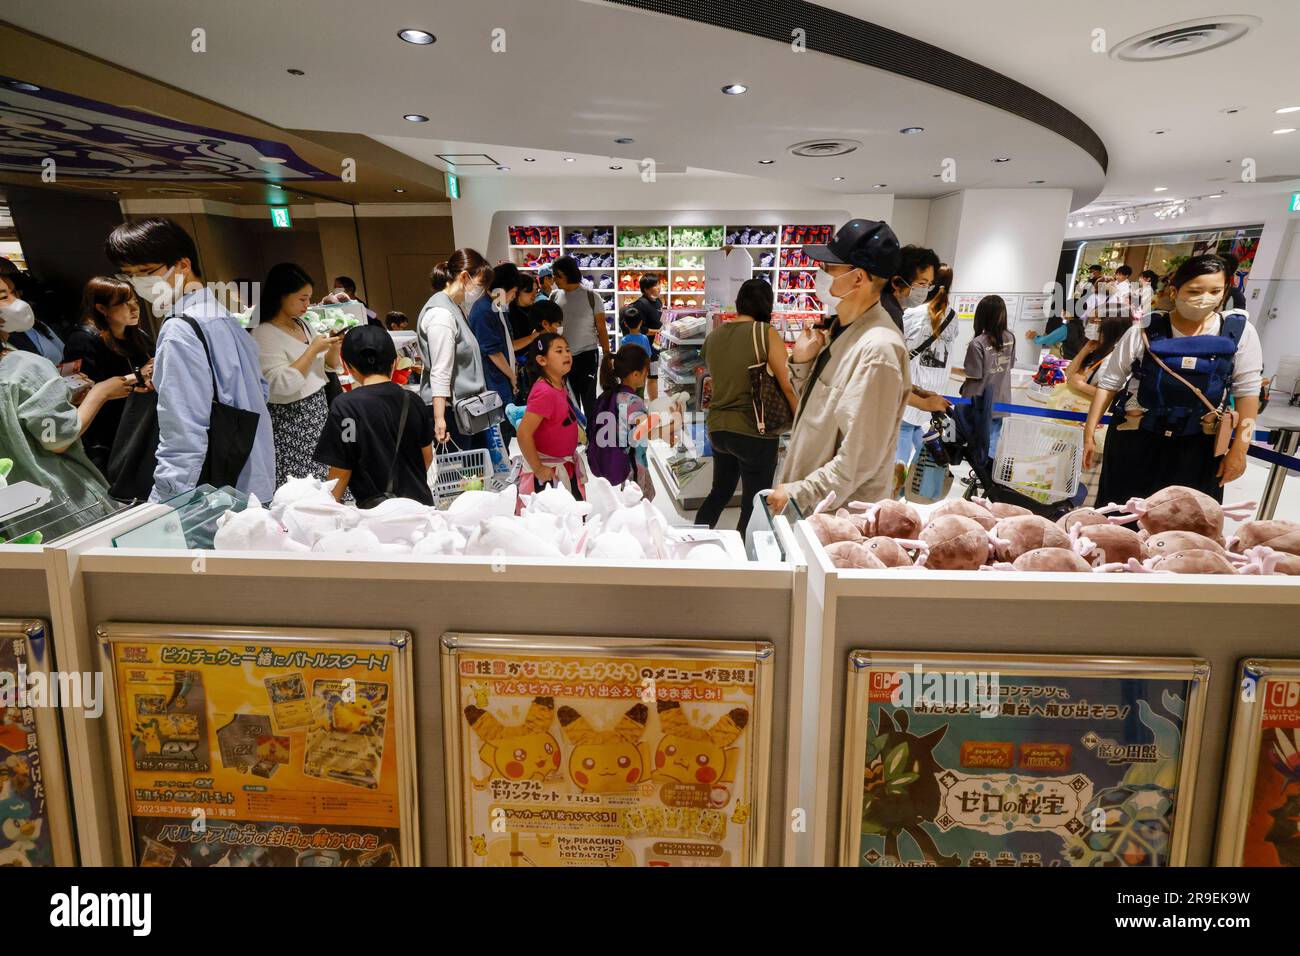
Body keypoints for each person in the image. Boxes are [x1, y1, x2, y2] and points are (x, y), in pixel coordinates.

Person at [106, 217, 275, 502]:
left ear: (183, 265)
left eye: (147, 271)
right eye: (129, 274)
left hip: (212, 492)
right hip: (253, 471)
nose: (139, 282)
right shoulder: (221, 314)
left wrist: (164, 505)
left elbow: (183, 432)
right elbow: (260, 389)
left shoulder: (180, 329)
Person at [1084, 254, 1262, 505]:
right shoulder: (1145, 329)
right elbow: (1110, 382)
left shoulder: (1239, 332)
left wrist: (1239, 450)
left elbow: (1248, 393)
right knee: (1122, 515)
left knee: (1187, 523)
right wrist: (1089, 432)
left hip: (1201, 444)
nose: (1205, 299)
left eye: (1215, 291)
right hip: (1136, 437)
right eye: (1195, 290)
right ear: (1174, 291)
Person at [768, 219, 910, 515]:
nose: (820, 275)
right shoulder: (840, 330)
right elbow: (820, 411)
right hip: (811, 505)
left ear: (858, 278)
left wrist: (799, 492)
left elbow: (860, 458)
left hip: (836, 519)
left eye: (829, 269)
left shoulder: (878, 350)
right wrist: (804, 363)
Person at [0, 309, 134, 539]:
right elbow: (56, 439)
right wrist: (100, 393)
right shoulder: (24, 366)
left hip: (14, 516)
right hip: (63, 502)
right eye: (4, 296)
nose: (16, 302)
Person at [695, 279, 799, 530]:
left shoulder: (714, 336)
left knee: (720, 491)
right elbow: (787, 383)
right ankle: (744, 561)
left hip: (719, 428)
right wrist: (801, 420)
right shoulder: (765, 333)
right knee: (754, 502)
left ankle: (693, 543)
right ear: (767, 305)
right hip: (755, 429)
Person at [314, 325, 434, 507]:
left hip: (377, 513)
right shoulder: (413, 400)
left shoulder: (346, 406)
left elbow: (341, 470)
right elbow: (427, 456)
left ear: (348, 366)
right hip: (420, 505)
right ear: (394, 363)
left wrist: (327, 510)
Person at [251, 263, 344, 489]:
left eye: (309, 298)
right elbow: (281, 385)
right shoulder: (263, 332)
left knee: (326, 482)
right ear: (282, 295)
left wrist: (332, 346)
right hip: (291, 421)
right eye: (302, 299)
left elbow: (328, 368)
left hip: (318, 412)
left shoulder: (302, 324)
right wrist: (312, 350)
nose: (307, 305)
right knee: (303, 489)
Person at [62, 276, 155, 475]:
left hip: (143, 421)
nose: (134, 308)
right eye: (123, 303)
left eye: (135, 302)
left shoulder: (138, 336)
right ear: (102, 309)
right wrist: (138, 375)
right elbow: (79, 392)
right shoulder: (83, 339)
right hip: (109, 435)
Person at [414, 248, 493, 450]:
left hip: (465, 408)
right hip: (450, 410)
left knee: (474, 474)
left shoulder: (456, 307)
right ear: (465, 277)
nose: (481, 291)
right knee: (460, 477)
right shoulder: (441, 314)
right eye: (480, 284)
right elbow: (441, 369)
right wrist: (440, 418)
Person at [897, 265, 956, 466]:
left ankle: (898, 484)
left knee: (904, 429)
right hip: (937, 388)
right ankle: (924, 481)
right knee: (920, 430)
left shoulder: (915, 312)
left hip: (916, 385)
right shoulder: (952, 315)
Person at [517, 333, 582, 496]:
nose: (566, 354)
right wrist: (538, 468)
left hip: (564, 465)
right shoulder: (544, 392)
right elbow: (524, 434)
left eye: (567, 350)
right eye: (559, 351)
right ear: (542, 360)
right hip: (547, 473)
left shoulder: (559, 383)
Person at [550, 255, 610, 429]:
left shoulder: (592, 297)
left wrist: (607, 355)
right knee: (568, 399)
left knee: (589, 398)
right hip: (561, 356)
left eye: (557, 275)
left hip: (587, 355)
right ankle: (575, 436)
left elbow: (602, 328)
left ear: (569, 274)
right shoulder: (554, 296)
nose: (554, 279)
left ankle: (592, 437)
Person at [957, 295, 1016, 464]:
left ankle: (980, 475)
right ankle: (987, 478)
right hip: (1001, 399)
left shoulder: (977, 343)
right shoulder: (1010, 338)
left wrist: (950, 370)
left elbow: (974, 374)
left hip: (978, 401)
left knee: (976, 442)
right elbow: (1009, 365)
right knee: (993, 440)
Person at [589, 343, 654, 491]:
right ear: (635, 374)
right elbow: (645, 434)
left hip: (609, 463)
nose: (646, 376)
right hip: (631, 466)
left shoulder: (607, 396)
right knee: (638, 507)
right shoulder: (633, 401)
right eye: (645, 372)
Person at [468, 262, 521, 440]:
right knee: (498, 433)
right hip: (494, 382)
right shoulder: (483, 310)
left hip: (501, 380)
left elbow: (505, 342)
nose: (514, 297)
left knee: (504, 429)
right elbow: (493, 351)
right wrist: (512, 376)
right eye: (513, 292)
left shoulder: (497, 305)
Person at [0, 274, 64, 364]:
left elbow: (63, 352)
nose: (17, 301)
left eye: (15, 293)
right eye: (3, 297)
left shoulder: (38, 326)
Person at [880, 245, 940, 331]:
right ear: (897, 282)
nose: (925, 290)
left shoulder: (885, 304)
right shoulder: (890, 313)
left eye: (929, 284)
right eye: (922, 283)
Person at [630, 274, 663, 400]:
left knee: (654, 376)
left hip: (656, 346)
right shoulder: (641, 304)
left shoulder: (658, 301)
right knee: (640, 379)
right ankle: (637, 405)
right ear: (646, 289)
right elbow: (640, 328)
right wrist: (658, 332)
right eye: (655, 285)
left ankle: (653, 405)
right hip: (644, 348)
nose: (659, 287)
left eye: (658, 284)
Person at [508, 273, 540, 363]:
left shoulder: (535, 310)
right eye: (529, 290)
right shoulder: (508, 313)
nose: (534, 294)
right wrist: (531, 337)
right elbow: (509, 345)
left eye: (536, 290)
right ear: (517, 291)